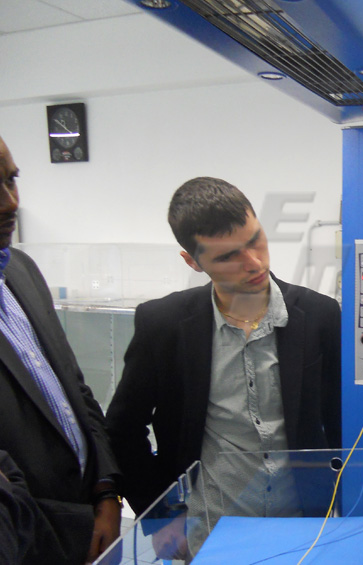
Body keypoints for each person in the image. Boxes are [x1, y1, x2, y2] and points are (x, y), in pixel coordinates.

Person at [105, 177, 341, 554]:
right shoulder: (164, 325)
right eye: (228, 256)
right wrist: (160, 516)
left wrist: (344, 504)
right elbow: (122, 429)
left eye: (255, 240)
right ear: (193, 262)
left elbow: (342, 422)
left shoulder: (319, 316)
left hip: (306, 526)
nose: (254, 263)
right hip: (209, 532)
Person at [0, 135, 122, 564]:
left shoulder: (21, 270)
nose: (11, 202)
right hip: (26, 541)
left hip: (89, 523)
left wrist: (107, 491)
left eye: (11, 180)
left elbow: (75, 388)